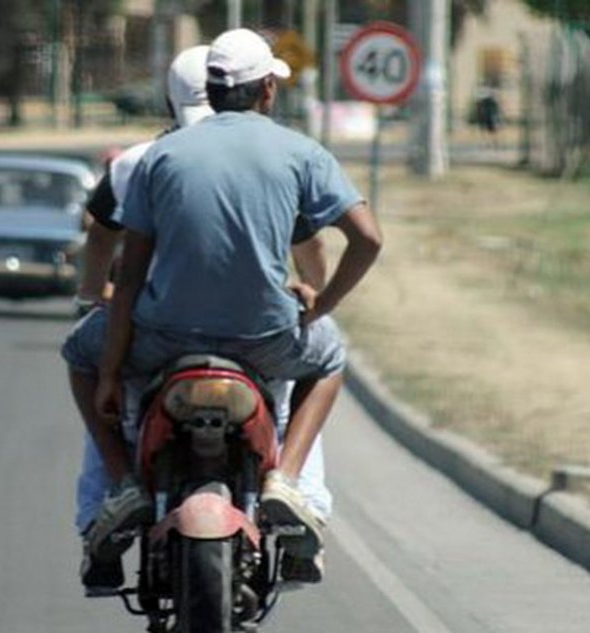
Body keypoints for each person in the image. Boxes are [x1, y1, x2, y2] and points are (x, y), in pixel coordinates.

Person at [94, 27, 382, 585]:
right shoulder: (301, 152)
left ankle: (121, 485)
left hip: (167, 338)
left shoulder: (163, 154)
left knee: (77, 354)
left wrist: (108, 371)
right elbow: (368, 239)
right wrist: (321, 305)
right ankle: (287, 481)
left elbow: (128, 277)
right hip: (265, 340)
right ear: (267, 90)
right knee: (330, 358)